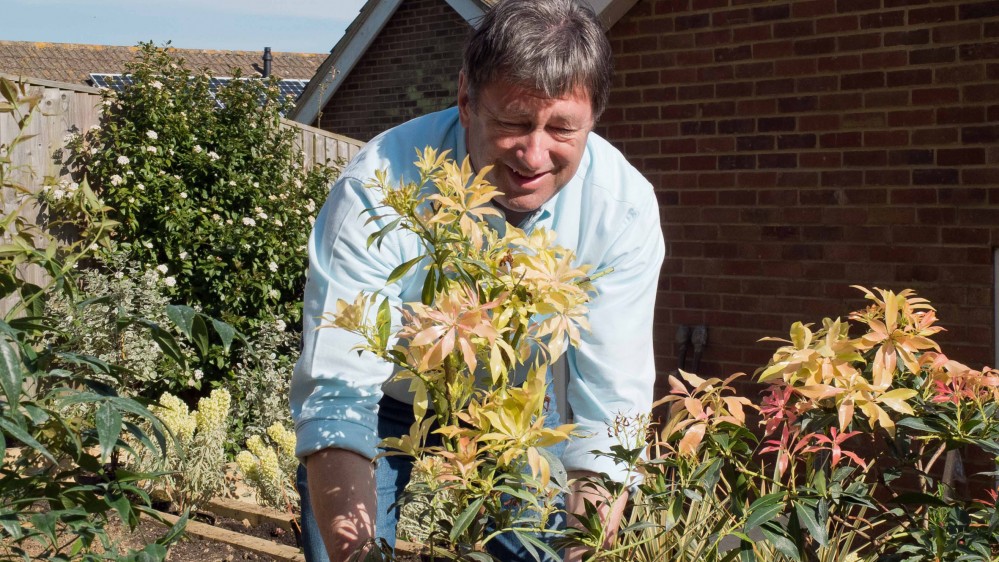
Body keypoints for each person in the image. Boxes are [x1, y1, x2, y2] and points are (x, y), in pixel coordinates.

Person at [289, 0, 665, 560]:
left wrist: (583, 550)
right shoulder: (379, 187)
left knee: (539, 550)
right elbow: (339, 392)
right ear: (466, 99)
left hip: (513, 407)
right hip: (385, 395)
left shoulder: (621, 210)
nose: (534, 155)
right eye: (514, 121)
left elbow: (610, 413)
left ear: (594, 118)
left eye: (562, 128)